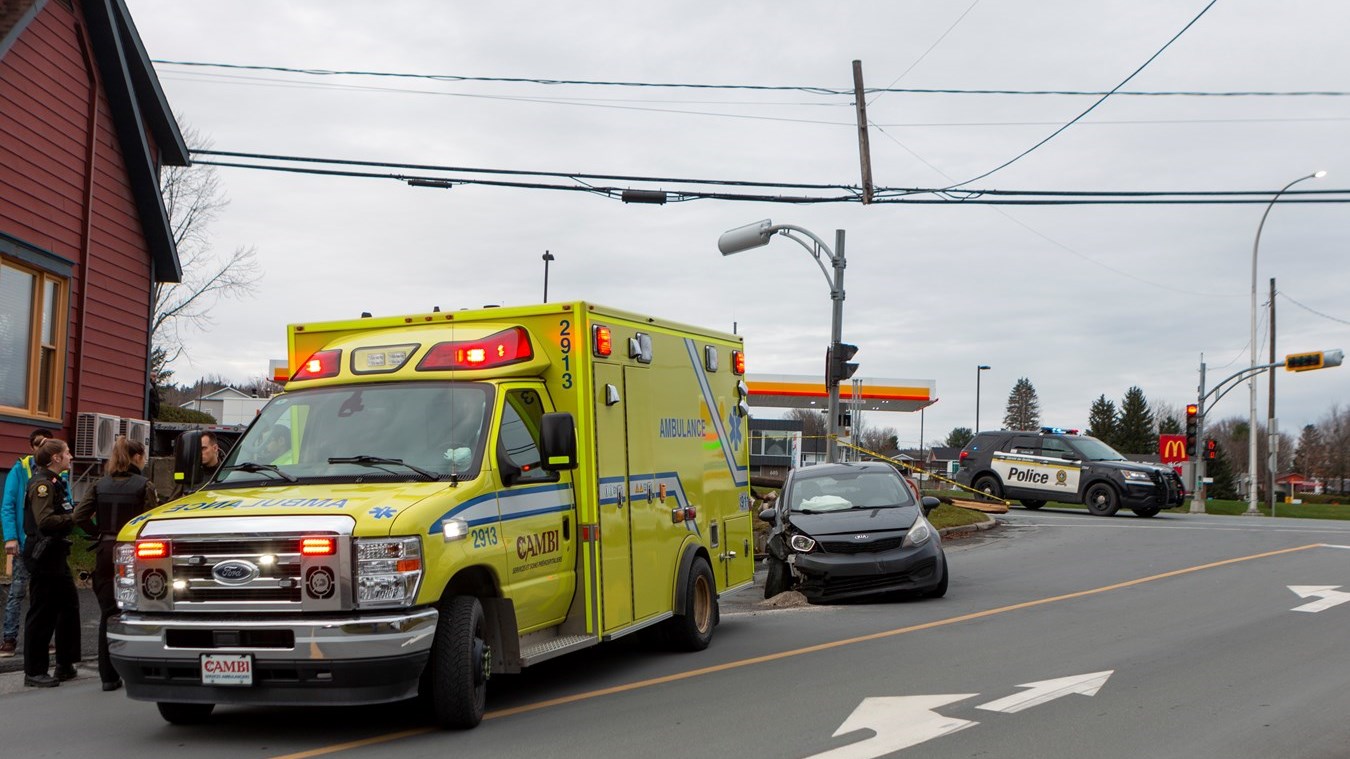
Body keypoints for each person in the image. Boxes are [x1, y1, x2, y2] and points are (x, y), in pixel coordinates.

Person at [74, 437, 156, 691]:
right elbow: (151, 520)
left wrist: (97, 532)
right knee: (137, 611)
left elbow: (79, 516)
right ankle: (144, 669)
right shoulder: (144, 485)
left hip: (105, 549)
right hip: (132, 552)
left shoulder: (100, 485)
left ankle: (107, 676)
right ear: (137, 457)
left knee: (108, 613)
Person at [20, 438, 79, 687]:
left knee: (68, 607)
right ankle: (34, 670)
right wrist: (74, 517)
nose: (70, 456)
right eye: (66, 453)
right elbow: (44, 520)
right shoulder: (42, 484)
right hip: (43, 554)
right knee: (42, 612)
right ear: (55, 458)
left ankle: (65, 664)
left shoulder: (56, 482)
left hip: (56, 553)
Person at [1, 428, 55, 657]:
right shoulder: (20, 469)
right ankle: (9, 639)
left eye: (47, 443)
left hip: (48, 542)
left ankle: (45, 638)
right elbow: (8, 505)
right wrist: (11, 537)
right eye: (38, 443)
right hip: (25, 541)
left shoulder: (57, 472)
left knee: (45, 593)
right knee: (17, 591)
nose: (43, 447)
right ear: (32, 448)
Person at [170, 430, 226, 499]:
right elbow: (172, 502)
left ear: (215, 448)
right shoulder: (189, 474)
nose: (199, 453)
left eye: (203, 448)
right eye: (196, 449)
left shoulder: (229, 473)